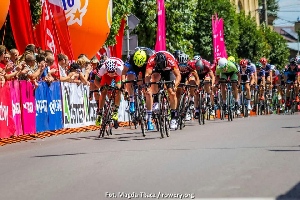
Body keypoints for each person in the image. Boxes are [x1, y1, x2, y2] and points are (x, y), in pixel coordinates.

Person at [145, 51, 181, 129]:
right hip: (157, 71)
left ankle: (173, 117)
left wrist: (175, 85)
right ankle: (156, 100)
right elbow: (147, 75)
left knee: (172, 93)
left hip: (169, 71)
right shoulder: (151, 60)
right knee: (154, 78)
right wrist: (148, 86)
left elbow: (178, 75)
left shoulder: (170, 60)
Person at [122, 47, 155, 119]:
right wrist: (123, 82)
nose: (139, 66)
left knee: (146, 85)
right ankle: (132, 102)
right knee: (130, 78)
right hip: (133, 68)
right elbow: (124, 71)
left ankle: (148, 111)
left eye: (139, 65)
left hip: (146, 68)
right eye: (138, 64)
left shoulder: (150, 56)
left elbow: (152, 73)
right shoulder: (130, 57)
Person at [95, 57, 124, 127]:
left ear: (115, 69)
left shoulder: (120, 69)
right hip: (105, 76)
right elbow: (96, 81)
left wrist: (121, 88)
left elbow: (122, 81)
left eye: (112, 72)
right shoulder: (103, 69)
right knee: (103, 91)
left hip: (117, 76)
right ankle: (100, 113)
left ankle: (115, 111)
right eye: (109, 72)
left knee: (118, 90)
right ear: (106, 70)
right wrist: (101, 87)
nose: (111, 74)